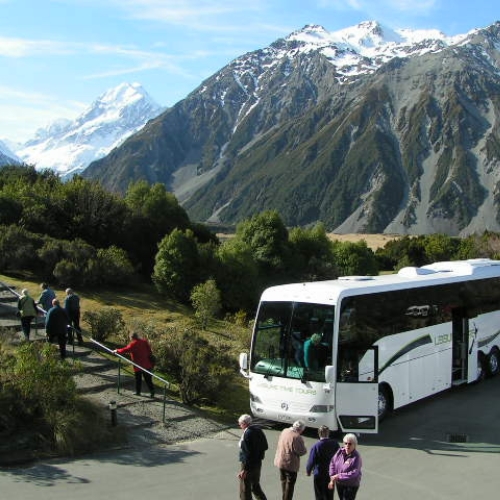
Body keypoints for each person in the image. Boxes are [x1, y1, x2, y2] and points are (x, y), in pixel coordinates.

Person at [113, 332, 155, 398]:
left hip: (138, 365)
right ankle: (152, 392)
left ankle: (138, 392)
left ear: (131, 337)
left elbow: (126, 349)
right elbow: (149, 351)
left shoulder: (133, 344)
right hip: (146, 364)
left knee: (138, 379)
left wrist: (117, 350)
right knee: (148, 379)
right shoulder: (144, 341)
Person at [237, 414, 268, 500]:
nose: (239, 425)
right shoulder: (258, 430)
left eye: (240, 424)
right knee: (255, 485)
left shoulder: (247, 433)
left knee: (245, 488)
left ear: (244, 423)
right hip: (257, 463)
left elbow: (248, 453)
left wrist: (244, 470)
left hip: (247, 464)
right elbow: (265, 446)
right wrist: (259, 456)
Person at [274, 420, 307, 500]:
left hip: (280, 461)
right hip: (290, 464)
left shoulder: (285, 431)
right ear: (300, 429)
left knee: (283, 482)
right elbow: (301, 451)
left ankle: (284, 497)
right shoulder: (297, 437)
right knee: (290, 486)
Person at [306, 425, 340, 500]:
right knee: (329, 494)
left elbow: (311, 460)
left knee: (319, 495)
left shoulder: (316, 446)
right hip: (331, 474)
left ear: (319, 434)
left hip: (319, 473)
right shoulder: (335, 444)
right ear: (328, 433)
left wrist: (308, 471)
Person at [328, 433, 362, 500]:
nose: (347, 445)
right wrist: (332, 476)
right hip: (340, 483)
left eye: (350, 444)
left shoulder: (356, 457)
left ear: (354, 445)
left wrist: (338, 476)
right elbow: (332, 463)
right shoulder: (339, 452)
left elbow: (354, 473)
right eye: (345, 443)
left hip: (351, 485)